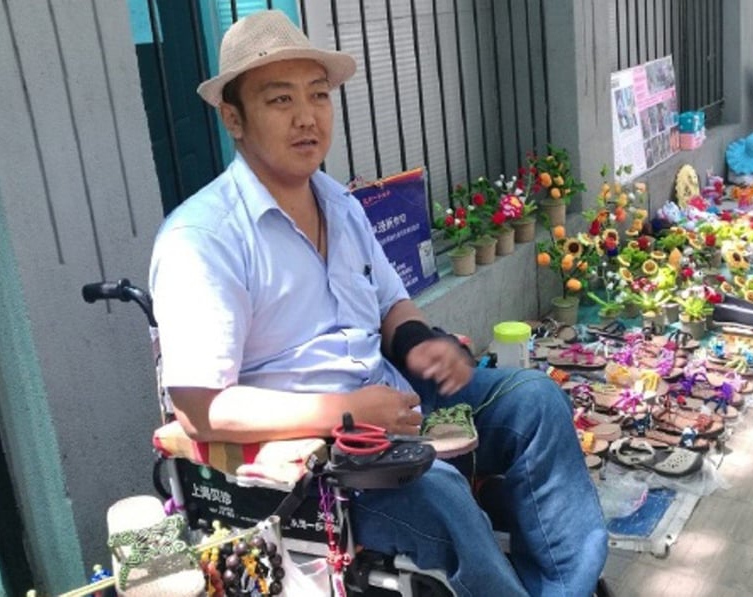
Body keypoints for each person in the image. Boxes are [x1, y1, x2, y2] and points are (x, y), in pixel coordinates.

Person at [148, 10, 607, 596]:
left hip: (389, 404)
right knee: (435, 490)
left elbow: (392, 305)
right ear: (233, 118)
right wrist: (347, 411)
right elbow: (199, 409)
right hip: (316, 462)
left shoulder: (338, 203)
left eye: (318, 95)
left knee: (533, 402)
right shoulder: (203, 238)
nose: (306, 116)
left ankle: (568, 586)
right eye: (279, 99)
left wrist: (421, 345)